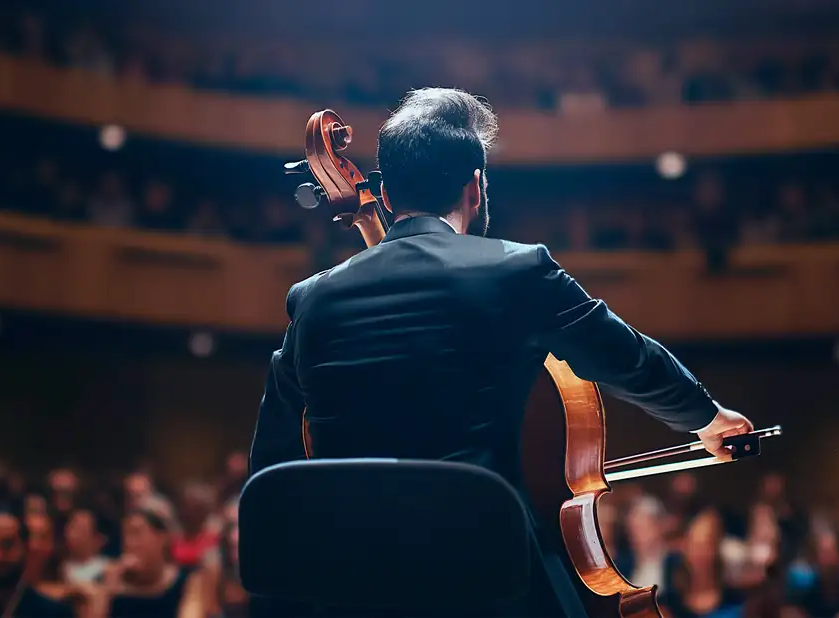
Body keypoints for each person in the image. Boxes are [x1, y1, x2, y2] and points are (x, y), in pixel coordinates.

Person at [249, 87, 754, 617]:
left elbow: (274, 465)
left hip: (348, 590)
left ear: (388, 195)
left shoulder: (311, 299)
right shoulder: (518, 270)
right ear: (475, 187)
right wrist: (705, 416)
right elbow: (625, 358)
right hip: (484, 581)